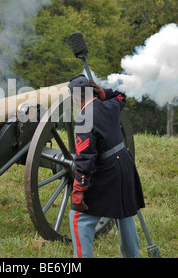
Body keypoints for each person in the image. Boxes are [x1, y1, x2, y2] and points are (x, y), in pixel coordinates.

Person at [68, 74, 145, 258]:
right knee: (124, 213)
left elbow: (86, 158)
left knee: (79, 218)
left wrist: (79, 188)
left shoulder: (84, 119)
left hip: (107, 170)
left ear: (76, 97)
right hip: (125, 165)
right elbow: (120, 96)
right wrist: (105, 93)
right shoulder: (110, 105)